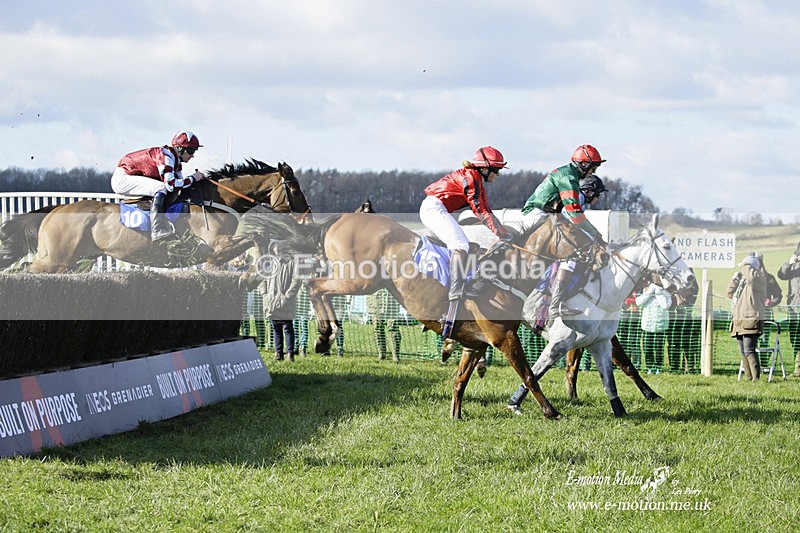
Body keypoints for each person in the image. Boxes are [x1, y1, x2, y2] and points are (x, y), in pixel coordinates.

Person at [518, 146, 608, 324]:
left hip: (547, 215)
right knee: (570, 255)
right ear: (583, 164)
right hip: (538, 215)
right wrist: (596, 236)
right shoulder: (569, 177)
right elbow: (574, 215)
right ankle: (556, 303)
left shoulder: (571, 175)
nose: (593, 172)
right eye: (593, 167)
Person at [419, 146, 510, 307]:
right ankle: (455, 290)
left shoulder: (476, 181)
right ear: (484, 168)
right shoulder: (470, 179)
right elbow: (480, 211)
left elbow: (487, 210)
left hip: (438, 208)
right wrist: (502, 235)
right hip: (433, 208)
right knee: (460, 245)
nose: (498, 174)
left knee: (469, 246)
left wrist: (503, 232)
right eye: (496, 169)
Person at [111, 131, 206, 240]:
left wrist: (196, 181)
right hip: (122, 179)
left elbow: (180, 185)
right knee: (161, 187)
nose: (192, 155)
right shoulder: (166, 157)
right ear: (180, 148)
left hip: (131, 175)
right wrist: (193, 178)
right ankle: (157, 230)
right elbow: (172, 185)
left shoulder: (176, 161)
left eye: (194, 151)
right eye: (190, 151)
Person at [727, 253, 766, 381]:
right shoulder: (744, 281)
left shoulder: (758, 278)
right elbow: (729, 294)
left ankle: (756, 378)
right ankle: (748, 377)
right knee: (743, 351)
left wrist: (745, 264)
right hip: (739, 320)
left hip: (750, 319)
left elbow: (751, 279)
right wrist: (734, 280)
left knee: (749, 349)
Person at [261, 242, 303, 361]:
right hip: (271, 301)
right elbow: (262, 279)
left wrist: (287, 296)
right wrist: (265, 294)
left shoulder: (292, 262)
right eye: (274, 246)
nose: (277, 248)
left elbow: (296, 280)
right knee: (276, 328)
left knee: (287, 328)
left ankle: (290, 353)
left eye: (279, 245)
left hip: (285, 301)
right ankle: (278, 353)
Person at [636, 279, 672, 374]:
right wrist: (650, 292)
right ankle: (650, 367)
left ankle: (658, 366)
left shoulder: (665, 293)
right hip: (647, 325)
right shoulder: (646, 291)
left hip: (660, 326)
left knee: (658, 347)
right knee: (647, 347)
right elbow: (638, 302)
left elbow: (666, 305)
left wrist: (658, 293)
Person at [754, 251, 783, 366]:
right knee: (751, 341)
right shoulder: (746, 278)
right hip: (750, 314)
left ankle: (764, 364)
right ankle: (753, 365)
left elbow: (778, 295)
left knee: (764, 340)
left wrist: (771, 302)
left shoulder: (769, 278)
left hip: (766, 314)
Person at [777, 241, 800, 377]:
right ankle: (798, 369)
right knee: (795, 337)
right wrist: (789, 263)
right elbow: (781, 275)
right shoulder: (793, 264)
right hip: (793, 306)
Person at [367, 288, 402, 362]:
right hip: (376, 301)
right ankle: (381, 354)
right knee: (377, 328)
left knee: (393, 328)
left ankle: (395, 356)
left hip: (391, 301)